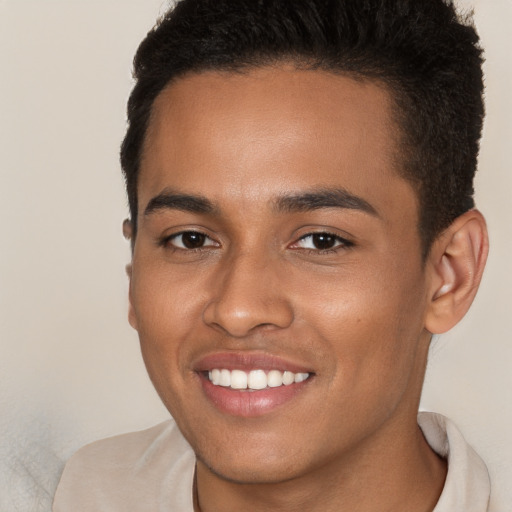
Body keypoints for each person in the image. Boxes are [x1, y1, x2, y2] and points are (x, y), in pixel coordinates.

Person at [53, 0, 493, 510]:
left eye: (321, 241)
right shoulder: (70, 491)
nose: (238, 310)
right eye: (190, 239)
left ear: (449, 275)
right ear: (134, 272)